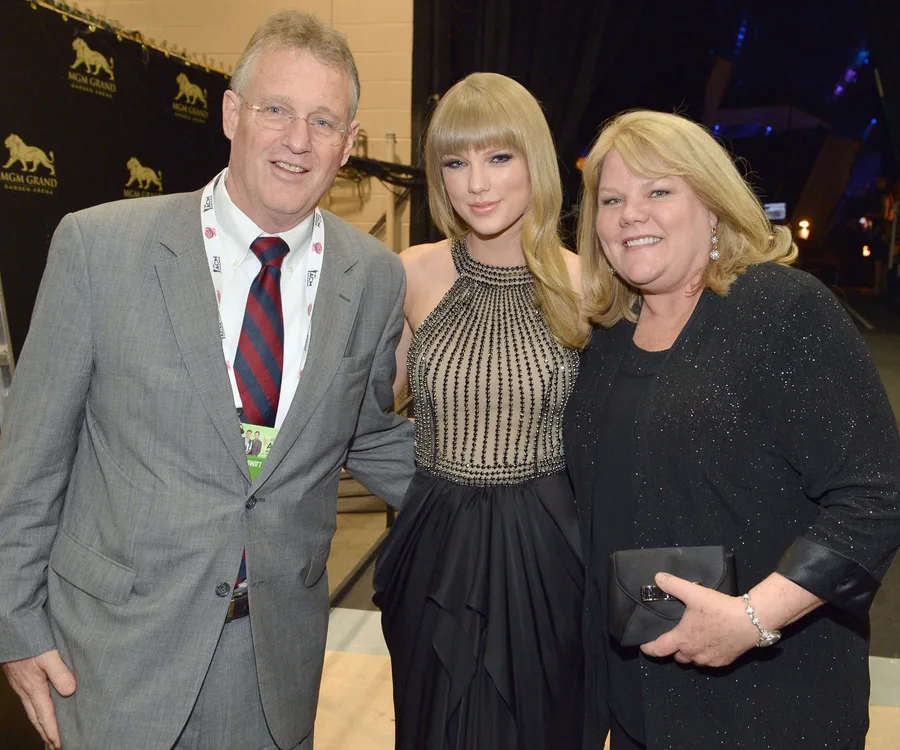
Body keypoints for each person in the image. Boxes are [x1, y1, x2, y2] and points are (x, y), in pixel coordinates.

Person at [0, 11, 414, 750]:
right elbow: (28, 465)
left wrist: (522, 491)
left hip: (270, 670)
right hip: (110, 661)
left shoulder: (375, 277)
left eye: (324, 122)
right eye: (276, 109)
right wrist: (15, 628)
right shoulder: (101, 250)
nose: (297, 140)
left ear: (349, 145)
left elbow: (370, 435)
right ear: (231, 112)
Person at [566, 109, 900, 749]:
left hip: (769, 704)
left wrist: (753, 618)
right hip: (636, 703)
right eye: (612, 199)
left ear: (713, 206)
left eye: (659, 190)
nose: (631, 213)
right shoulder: (605, 345)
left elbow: (876, 499)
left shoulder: (783, 311)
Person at [372, 72, 588, 749]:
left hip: (547, 554)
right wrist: (419, 487)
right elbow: (357, 415)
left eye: (499, 157)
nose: (477, 183)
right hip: (435, 547)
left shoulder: (588, 284)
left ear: (536, 162)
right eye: (456, 162)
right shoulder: (412, 272)